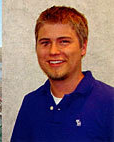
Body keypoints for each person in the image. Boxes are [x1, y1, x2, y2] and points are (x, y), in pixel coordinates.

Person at [11, 6, 114, 142]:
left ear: (83, 47)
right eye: (45, 42)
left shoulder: (109, 102)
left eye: (64, 42)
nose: (53, 51)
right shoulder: (31, 103)